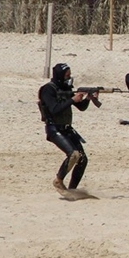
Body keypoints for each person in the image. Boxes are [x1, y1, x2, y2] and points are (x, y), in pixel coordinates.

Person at [38, 62, 97, 194]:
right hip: (54, 128)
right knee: (73, 154)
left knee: (82, 159)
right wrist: (72, 100)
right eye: (67, 76)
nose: (69, 78)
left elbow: (81, 107)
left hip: (67, 129)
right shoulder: (48, 90)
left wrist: (88, 98)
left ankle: (72, 190)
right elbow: (54, 109)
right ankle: (58, 180)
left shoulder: (66, 88)